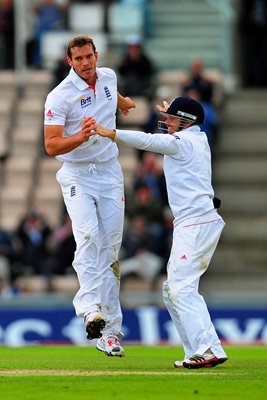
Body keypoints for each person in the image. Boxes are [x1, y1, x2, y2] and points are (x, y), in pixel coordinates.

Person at [86, 95, 228, 369]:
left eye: (173, 118)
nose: (168, 122)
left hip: (196, 223)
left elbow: (149, 141)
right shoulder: (198, 138)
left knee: (181, 289)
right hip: (195, 222)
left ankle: (208, 348)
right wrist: (174, 112)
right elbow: (170, 131)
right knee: (171, 290)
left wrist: (111, 133)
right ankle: (195, 352)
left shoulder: (184, 143)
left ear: (187, 121)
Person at [44, 35, 135, 357]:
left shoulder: (108, 76)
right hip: (77, 174)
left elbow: (109, 93)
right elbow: (51, 146)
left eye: (88, 57)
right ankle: (89, 309)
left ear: (96, 55)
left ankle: (109, 333)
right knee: (88, 237)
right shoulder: (60, 96)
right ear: (70, 61)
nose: (85, 63)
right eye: (78, 59)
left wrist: (122, 102)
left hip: (109, 172)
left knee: (110, 252)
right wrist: (79, 137)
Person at [117, 35, 155, 99]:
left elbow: (149, 77)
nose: (133, 50)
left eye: (135, 48)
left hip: (142, 92)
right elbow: (121, 74)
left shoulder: (146, 61)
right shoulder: (124, 61)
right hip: (127, 92)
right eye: (131, 48)